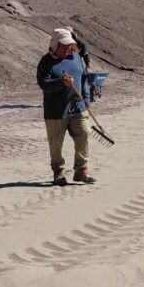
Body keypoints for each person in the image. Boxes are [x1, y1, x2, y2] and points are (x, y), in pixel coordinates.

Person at [36, 28, 95, 185]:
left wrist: (87, 98)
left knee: (84, 133)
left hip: (78, 106)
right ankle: (58, 172)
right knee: (56, 143)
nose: (68, 48)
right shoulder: (46, 62)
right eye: (65, 45)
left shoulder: (76, 57)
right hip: (56, 110)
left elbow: (83, 79)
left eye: (70, 45)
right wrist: (61, 83)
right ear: (55, 45)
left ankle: (81, 170)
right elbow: (43, 84)